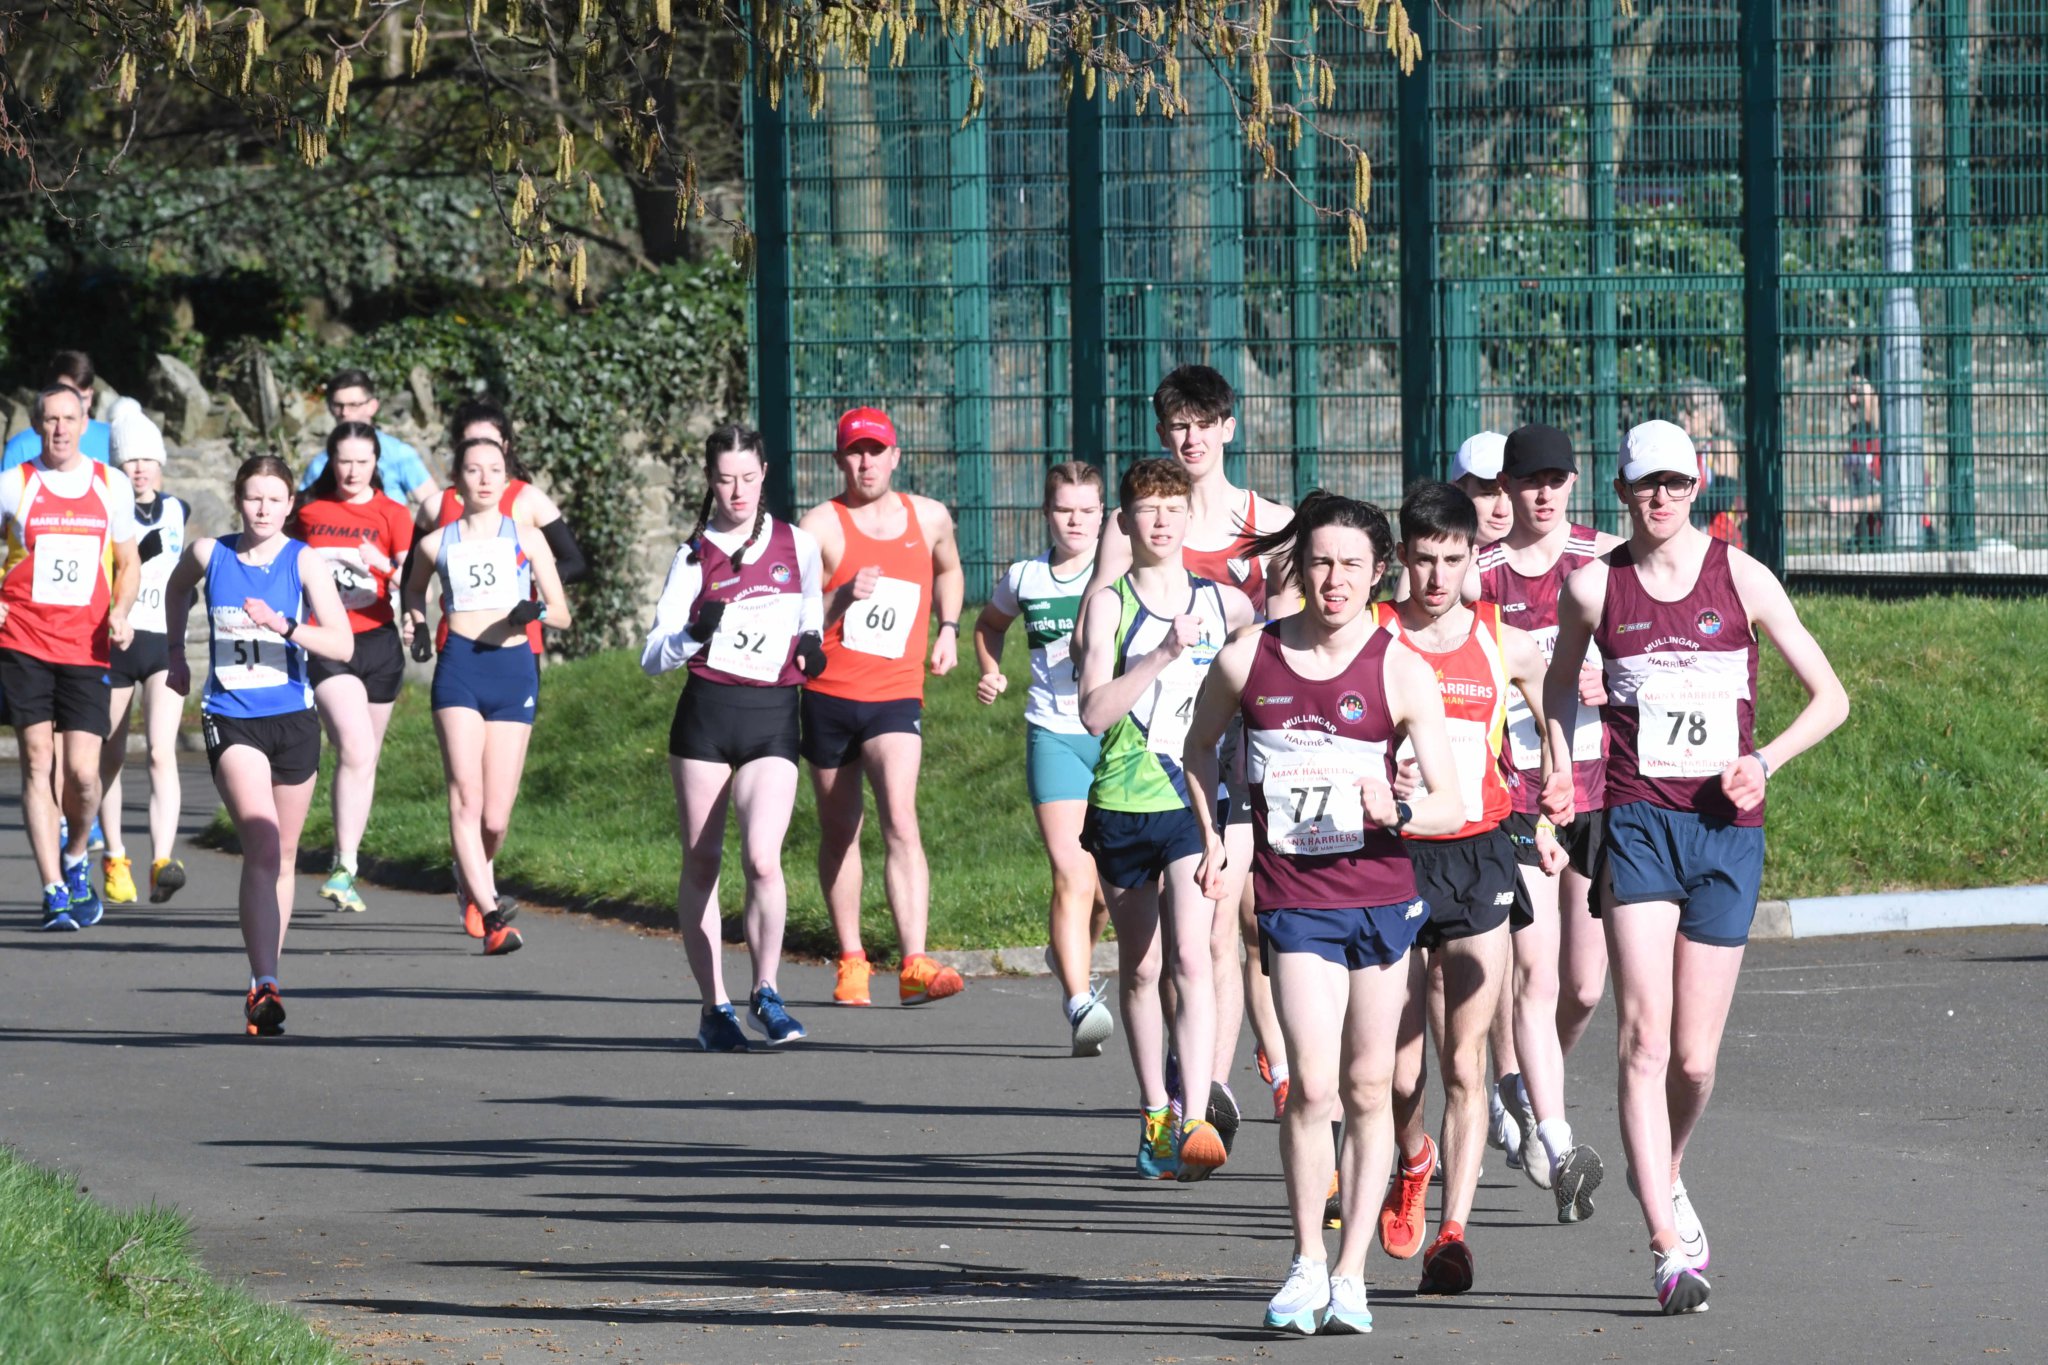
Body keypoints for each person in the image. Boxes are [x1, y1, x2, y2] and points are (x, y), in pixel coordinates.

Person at [1545, 420, 1848, 1315]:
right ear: (1623, 489)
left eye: (1677, 482)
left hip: (1726, 830)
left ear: (1700, 483)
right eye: (1646, 484)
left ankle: (1667, 1169)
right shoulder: (1597, 586)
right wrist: (1562, 764)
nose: (1662, 498)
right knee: (1641, 1036)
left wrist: (1767, 760)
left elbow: (1831, 698)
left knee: (1695, 1060)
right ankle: (1664, 1245)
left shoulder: (1741, 576)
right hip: (1640, 823)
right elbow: (1560, 681)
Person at [1180, 491, 1462, 1334]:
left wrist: (1399, 812)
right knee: (1313, 1083)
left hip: (1381, 898)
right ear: (1298, 567)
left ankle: (1351, 1275)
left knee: (1374, 1085)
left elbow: (1453, 798)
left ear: (1381, 573)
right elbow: (1198, 749)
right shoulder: (1247, 658)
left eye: (1350, 564)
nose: (1333, 578)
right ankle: (1306, 1261)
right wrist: (1217, 835)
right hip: (1296, 899)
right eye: (1320, 561)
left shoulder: (1399, 667)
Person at [1076, 364, 1296, 1137]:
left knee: (1225, 924)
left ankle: (1211, 1090)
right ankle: (1189, 1088)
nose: (1192, 436)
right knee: (1184, 941)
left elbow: (1290, 639)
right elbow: (1091, 636)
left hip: (1237, 754)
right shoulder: (1135, 525)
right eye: (1178, 424)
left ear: (1229, 428)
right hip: (1144, 764)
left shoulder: (1270, 523)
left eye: (1205, 422)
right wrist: (1152, 653)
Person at [1373, 481, 1571, 1296]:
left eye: (1452, 560)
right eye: (1422, 560)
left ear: (1469, 559)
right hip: (1391, 855)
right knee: (1397, 1072)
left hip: (1480, 851)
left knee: (1464, 1058)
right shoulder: (1374, 635)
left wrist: (1557, 792)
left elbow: (1549, 700)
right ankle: (1411, 1154)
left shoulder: (1502, 639)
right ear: (1403, 560)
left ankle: (1453, 1234)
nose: (1436, 577)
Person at [1074, 456, 1255, 1182]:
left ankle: (1196, 1110)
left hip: (1190, 807)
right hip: (1122, 802)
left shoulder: (1226, 604)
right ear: (1126, 521)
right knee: (1143, 966)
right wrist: (1161, 653)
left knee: (1195, 953)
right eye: (1147, 510)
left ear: (1189, 519)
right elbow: (1092, 713)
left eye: (1173, 509)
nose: (1160, 521)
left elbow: (1273, 660)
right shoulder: (1109, 605)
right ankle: (1153, 1106)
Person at [1474, 423, 1623, 1197]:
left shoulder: (1604, 559)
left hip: (1596, 787)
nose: (1542, 492)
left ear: (1573, 480)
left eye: (1555, 478)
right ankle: (1553, 1128)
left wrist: (1609, 683)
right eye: (1528, 480)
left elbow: (1643, 659)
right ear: (1507, 487)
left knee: (1586, 985)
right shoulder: (1484, 575)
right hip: (1518, 795)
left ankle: (1531, 1083)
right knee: (1535, 972)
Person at [642, 425, 826, 1051]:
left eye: (749, 477)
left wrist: (811, 645)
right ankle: (713, 1006)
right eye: (726, 479)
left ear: (765, 473)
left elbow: (810, 611)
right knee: (703, 861)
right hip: (706, 720)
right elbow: (652, 656)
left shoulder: (797, 544)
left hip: (773, 715)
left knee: (763, 858)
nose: (738, 490)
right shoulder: (693, 556)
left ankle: (767, 992)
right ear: (710, 480)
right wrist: (695, 630)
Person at [163, 456, 355, 1035]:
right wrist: (175, 652)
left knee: (287, 856)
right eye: (253, 498)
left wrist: (285, 626)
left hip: (293, 720)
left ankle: (263, 979)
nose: (264, 509)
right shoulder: (209, 554)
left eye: (275, 499)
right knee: (264, 845)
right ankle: (265, 980)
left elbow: (342, 645)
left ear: (290, 504)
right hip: (232, 717)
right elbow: (175, 590)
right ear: (238, 500)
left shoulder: (305, 561)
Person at [798, 407, 967, 1009]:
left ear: (896, 456)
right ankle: (851, 960)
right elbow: (795, 620)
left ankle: (914, 960)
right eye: (854, 452)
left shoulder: (929, 517)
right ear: (839, 460)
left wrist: (948, 628)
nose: (866, 462)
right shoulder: (820, 527)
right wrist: (840, 595)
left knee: (900, 815)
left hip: (896, 692)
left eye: (876, 450)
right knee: (841, 829)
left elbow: (949, 569)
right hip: (828, 694)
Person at [400, 436, 572, 954]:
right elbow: (413, 588)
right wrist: (418, 622)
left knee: (495, 816)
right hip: (460, 671)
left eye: (493, 469)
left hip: (513, 669)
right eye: (472, 470)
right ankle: (493, 913)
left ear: (507, 476)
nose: (483, 479)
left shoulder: (528, 537)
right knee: (465, 796)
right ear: (458, 478)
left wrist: (534, 612)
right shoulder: (437, 542)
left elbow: (562, 612)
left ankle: (471, 875)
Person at [973, 461, 1114, 1056]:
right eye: (1064, 510)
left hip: (1113, 736)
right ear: (1046, 514)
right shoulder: (1026, 576)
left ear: (1104, 514)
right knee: (1071, 871)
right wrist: (990, 669)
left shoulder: (1120, 575)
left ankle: (1068, 953)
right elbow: (988, 625)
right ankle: (1080, 1002)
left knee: (1107, 889)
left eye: (1086, 510)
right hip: (1052, 734)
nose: (1076, 521)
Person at [1, 385, 140, 929]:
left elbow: (127, 562)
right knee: (38, 760)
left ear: (86, 423)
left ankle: (78, 854)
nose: (59, 428)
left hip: (87, 645)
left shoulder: (112, 486)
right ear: (37, 426)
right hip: (25, 641)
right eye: (50, 420)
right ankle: (53, 888)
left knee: (82, 774)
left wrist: (122, 610)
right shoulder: (15, 485)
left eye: (69, 418)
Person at [290, 421, 418, 913]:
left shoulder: (393, 513)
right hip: (327, 642)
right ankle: (342, 867)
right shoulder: (308, 511)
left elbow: (413, 583)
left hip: (379, 646)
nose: (352, 470)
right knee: (355, 746)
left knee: (364, 760)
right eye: (343, 460)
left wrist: (381, 566)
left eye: (363, 462)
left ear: (376, 464)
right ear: (330, 460)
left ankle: (346, 866)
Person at [1447, 430, 1526, 1169]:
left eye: (1508, 487)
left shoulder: (1555, 562)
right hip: (1439, 811)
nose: (1498, 503)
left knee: (1540, 971)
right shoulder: (1451, 573)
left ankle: (1514, 1084)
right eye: (1483, 489)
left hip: (1516, 790)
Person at [97, 402, 193, 906]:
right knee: (110, 755)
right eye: (129, 460)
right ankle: (114, 856)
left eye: (147, 459)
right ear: (116, 464)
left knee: (160, 750)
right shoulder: (106, 508)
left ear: (160, 462)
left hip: (163, 640)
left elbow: (185, 568)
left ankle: (162, 860)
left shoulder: (179, 509)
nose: (138, 468)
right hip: (116, 641)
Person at [427, 397, 589, 660]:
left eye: (491, 443)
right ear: (458, 448)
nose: (482, 449)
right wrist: (415, 619)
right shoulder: (437, 504)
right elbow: (412, 573)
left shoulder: (528, 498)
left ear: (505, 446)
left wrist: (537, 573)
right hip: (455, 641)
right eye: (471, 443)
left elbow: (577, 563)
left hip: (518, 639)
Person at [297, 370, 440, 525]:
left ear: (372, 406)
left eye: (353, 405)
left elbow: (436, 506)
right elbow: (301, 514)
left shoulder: (399, 454)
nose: (344, 413)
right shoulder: (319, 464)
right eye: (338, 405)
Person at [3, 351, 112, 470]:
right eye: (64, 393)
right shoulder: (20, 448)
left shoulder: (113, 439)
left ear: (91, 396)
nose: (74, 404)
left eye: (82, 398)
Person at [1676, 380, 1742, 547]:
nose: (1682, 417)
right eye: (1681, 409)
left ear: (1710, 413)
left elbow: (1723, 499)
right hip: (1686, 542)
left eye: (1690, 411)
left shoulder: (1721, 447)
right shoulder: (1680, 450)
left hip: (1719, 540)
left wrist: (1678, 502)